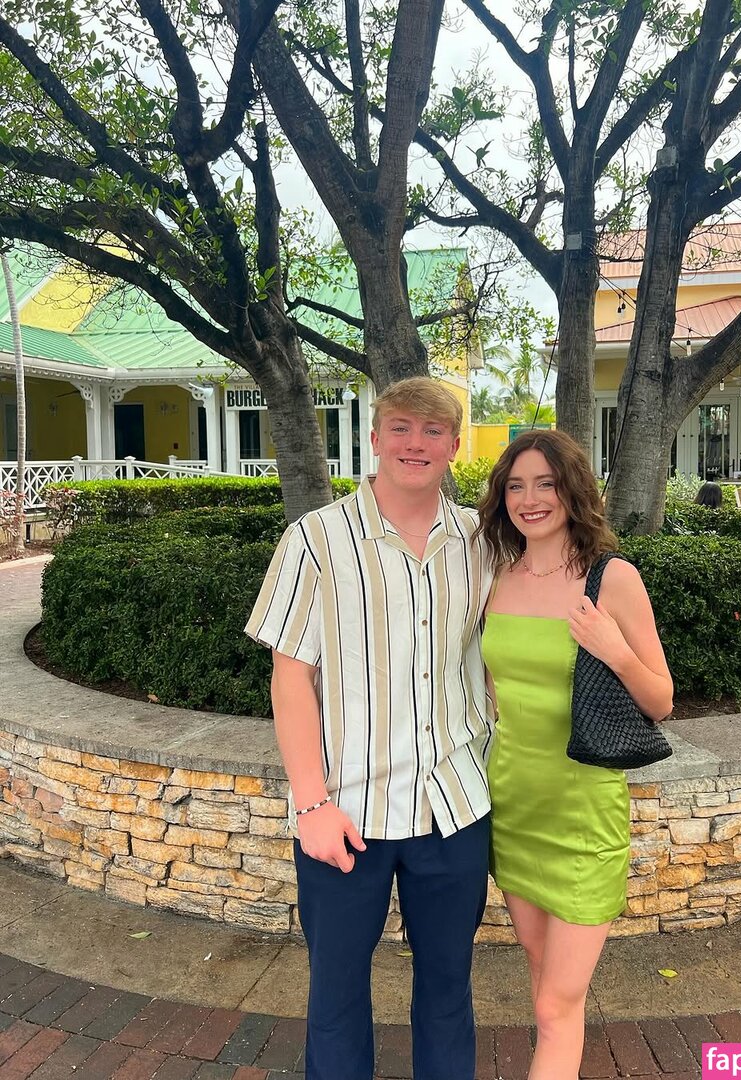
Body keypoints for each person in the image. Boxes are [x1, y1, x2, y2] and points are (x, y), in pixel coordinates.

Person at [245, 377, 493, 1080]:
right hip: (346, 813)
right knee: (336, 996)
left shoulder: (481, 541)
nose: (416, 443)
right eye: (402, 428)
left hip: (454, 806)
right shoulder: (315, 540)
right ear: (376, 438)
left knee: (448, 991)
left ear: (453, 445)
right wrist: (311, 805)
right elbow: (290, 678)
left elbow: (500, 654)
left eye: (433, 430)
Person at [477, 430, 673, 1080]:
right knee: (547, 989)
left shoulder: (611, 579)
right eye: (515, 486)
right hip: (514, 807)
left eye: (545, 483)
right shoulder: (496, 576)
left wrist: (614, 650)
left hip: (583, 814)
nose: (530, 498)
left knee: (556, 1003)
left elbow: (661, 700)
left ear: (573, 490)